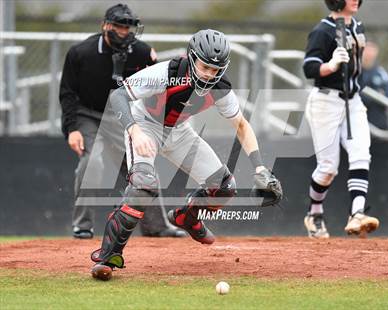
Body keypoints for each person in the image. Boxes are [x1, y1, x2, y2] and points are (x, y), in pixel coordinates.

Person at [89, 29, 283, 280]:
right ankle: (108, 257)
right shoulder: (166, 72)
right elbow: (119, 95)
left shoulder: (221, 89)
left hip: (179, 131)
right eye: (205, 67)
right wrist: (135, 131)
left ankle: (187, 217)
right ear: (191, 58)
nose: (209, 75)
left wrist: (259, 168)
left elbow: (242, 126)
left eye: (216, 70)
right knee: (143, 186)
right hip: (144, 124)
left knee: (224, 187)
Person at [59, 3, 186, 239]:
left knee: (142, 165)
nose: (124, 32)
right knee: (92, 162)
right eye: (118, 26)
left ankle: (156, 226)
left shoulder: (142, 52)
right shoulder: (81, 52)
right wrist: (72, 129)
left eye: (129, 27)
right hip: (88, 115)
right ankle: (82, 226)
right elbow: (67, 93)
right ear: (105, 26)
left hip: (123, 116)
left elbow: (156, 89)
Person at [302, 0, 379, 238]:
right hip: (326, 101)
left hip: (353, 100)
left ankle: (356, 213)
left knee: (361, 153)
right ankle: (314, 213)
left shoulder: (358, 26)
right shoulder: (322, 30)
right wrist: (332, 64)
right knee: (328, 169)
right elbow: (310, 68)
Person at [360, 41, 388, 130]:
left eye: (372, 51)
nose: (369, 54)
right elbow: (355, 96)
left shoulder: (381, 73)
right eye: (366, 50)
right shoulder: (354, 72)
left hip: (379, 125)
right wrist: (376, 95)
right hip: (359, 123)